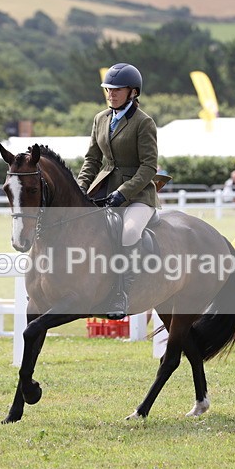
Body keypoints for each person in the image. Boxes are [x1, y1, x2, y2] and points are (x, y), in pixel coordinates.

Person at [77, 62, 159, 319]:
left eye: (116, 90)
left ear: (133, 92)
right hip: (103, 188)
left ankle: (123, 291)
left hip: (138, 194)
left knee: (130, 230)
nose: (110, 94)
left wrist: (124, 192)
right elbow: (92, 160)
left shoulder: (144, 122)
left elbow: (149, 166)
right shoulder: (100, 119)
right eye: (108, 90)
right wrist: (80, 190)